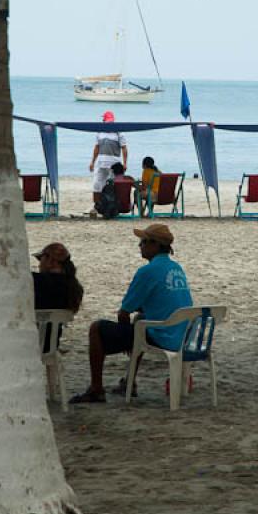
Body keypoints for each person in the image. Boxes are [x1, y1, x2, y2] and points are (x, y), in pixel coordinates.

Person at [69, 223, 193, 404]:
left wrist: (126, 337)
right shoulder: (176, 268)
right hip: (182, 333)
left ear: (155, 245)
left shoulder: (147, 271)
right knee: (140, 322)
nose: (139, 246)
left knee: (96, 329)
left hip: (164, 336)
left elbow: (124, 312)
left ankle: (96, 389)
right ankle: (129, 381)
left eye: (143, 242)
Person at [33, 242, 84, 352]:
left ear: (50, 261)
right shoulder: (73, 287)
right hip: (51, 346)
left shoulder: (36, 282)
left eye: (40, 259)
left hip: (32, 344)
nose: (39, 264)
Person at [89, 110, 128, 209]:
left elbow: (124, 148)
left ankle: (114, 205)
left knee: (113, 185)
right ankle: (97, 206)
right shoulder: (99, 132)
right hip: (101, 162)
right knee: (97, 184)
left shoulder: (119, 133)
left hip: (114, 162)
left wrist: (125, 163)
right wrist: (92, 162)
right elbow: (97, 148)